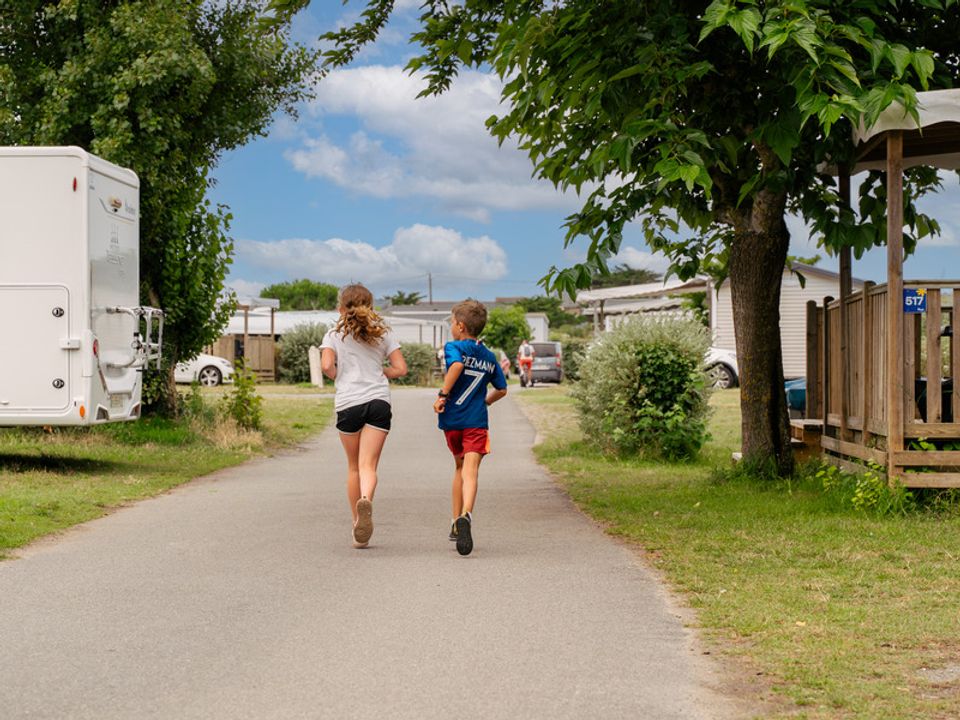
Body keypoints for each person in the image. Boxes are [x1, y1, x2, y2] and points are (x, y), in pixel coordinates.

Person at [321, 284, 407, 548]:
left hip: (349, 403)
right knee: (368, 466)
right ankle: (366, 499)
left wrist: (339, 376)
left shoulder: (333, 335)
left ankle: (357, 521)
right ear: (370, 307)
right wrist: (381, 373)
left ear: (340, 308)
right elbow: (401, 368)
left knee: (353, 467)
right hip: (378, 401)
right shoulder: (383, 333)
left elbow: (326, 365)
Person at [433, 300, 508, 556]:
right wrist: (485, 402)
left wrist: (443, 394)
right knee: (471, 471)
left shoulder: (454, 347)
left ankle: (455, 522)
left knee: (458, 467)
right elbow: (502, 389)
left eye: (452, 323)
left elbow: (456, 366)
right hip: (476, 421)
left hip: (453, 421)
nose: (451, 327)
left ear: (461, 326)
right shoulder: (488, 356)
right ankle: (466, 514)